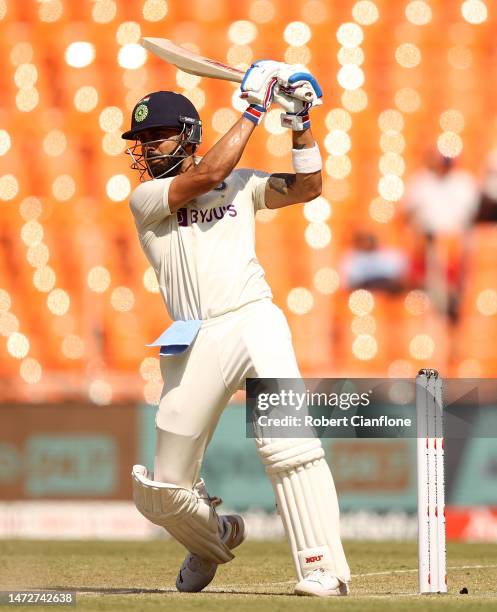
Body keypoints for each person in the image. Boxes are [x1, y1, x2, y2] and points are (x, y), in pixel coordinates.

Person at [121, 60, 350, 597]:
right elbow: (204, 177)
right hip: (192, 339)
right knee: (160, 492)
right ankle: (213, 537)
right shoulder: (147, 199)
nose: (150, 147)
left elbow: (309, 188)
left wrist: (300, 120)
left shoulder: (241, 185)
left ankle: (324, 568)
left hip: (253, 320)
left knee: (287, 441)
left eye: (160, 135)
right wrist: (253, 107)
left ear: (189, 134)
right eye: (143, 139)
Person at [403, 150, 479, 323]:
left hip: (456, 240)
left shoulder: (463, 182)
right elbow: (407, 213)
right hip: (427, 240)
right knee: (431, 260)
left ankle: (454, 301)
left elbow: (472, 216)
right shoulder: (421, 182)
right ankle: (434, 305)